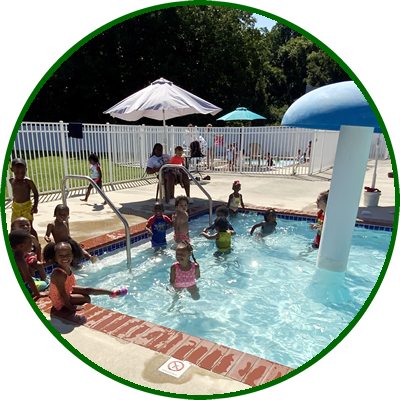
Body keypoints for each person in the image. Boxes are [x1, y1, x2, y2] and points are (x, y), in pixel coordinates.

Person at [44, 241, 127, 312]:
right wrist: (71, 307)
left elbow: (65, 288)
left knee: (88, 290)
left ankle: (112, 293)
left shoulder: (67, 266)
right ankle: (71, 307)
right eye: (61, 256)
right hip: (61, 301)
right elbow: (62, 294)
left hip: (67, 291)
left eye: (67, 255)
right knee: (86, 298)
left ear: (72, 255)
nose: (65, 258)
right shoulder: (59, 274)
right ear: (55, 257)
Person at [9, 230, 49, 298]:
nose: (32, 245)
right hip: (26, 287)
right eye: (30, 243)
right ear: (21, 246)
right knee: (46, 284)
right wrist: (38, 294)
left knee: (37, 280)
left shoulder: (15, 255)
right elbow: (29, 279)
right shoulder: (20, 260)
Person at [9, 158, 39, 240]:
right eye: (17, 172)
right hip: (16, 207)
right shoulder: (12, 181)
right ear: (12, 170)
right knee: (14, 226)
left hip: (27, 207)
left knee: (29, 227)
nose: (20, 175)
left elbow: (36, 193)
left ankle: (36, 245)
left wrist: (35, 206)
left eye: (22, 172)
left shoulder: (28, 181)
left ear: (26, 170)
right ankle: (13, 245)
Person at [11, 217, 47, 281]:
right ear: (13, 227)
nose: (25, 227)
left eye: (28, 225)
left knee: (39, 265)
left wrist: (38, 260)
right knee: (29, 270)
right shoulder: (10, 239)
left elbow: (38, 247)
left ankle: (45, 282)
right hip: (16, 259)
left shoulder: (31, 238)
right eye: (21, 225)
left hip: (26, 257)